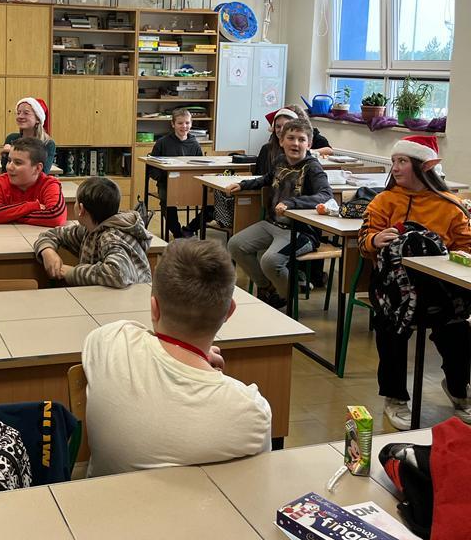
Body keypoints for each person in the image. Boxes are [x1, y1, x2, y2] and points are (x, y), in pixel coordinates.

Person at [81, 238, 272, 476]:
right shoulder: (252, 412)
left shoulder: (108, 340)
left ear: (154, 307)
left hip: (103, 499)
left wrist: (188, 352)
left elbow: (142, 337)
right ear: (229, 311)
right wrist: (196, 356)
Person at [358, 135, 471, 430]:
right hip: (393, 290)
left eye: (403, 161)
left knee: (458, 331)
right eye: (394, 162)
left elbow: (466, 247)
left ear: (424, 167)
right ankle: (395, 396)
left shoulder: (450, 205)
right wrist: (375, 240)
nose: (395, 168)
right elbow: (364, 240)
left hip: (440, 289)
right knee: (390, 329)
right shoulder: (384, 200)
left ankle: (458, 389)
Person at [226, 120, 333, 308]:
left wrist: (292, 203)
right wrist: (243, 185)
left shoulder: (312, 168)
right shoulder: (280, 161)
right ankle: (268, 287)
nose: (296, 143)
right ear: (281, 141)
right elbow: (266, 179)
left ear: (309, 144)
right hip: (273, 224)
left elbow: (326, 195)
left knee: (270, 260)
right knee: (235, 245)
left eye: (301, 139)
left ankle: (288, 297)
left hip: (301, 232)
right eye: (290, 138)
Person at [34, 176, 152, 288]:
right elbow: (53, 234)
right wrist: (47, 251)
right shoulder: (90, 229)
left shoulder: (111, 237)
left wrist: (72, 272)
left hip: (133, 298)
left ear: (81, 209)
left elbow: (119, 274)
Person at [148, 108, 212, 238]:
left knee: (212, 203)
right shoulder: (162, 142)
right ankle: (177, 233)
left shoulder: (194, 143)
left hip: (191, 184)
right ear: (173, 124)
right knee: (167, 202)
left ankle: (190, 228)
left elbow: (201, 167)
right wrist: (163, 177)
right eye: (180, 123)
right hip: (167, 184)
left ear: (191, 124)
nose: (184, 126)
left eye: (187, 123)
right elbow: (152, 167)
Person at [0, 138, 67, 227]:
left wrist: (7, 216)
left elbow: (55, 217)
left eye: (18, 163)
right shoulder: (1, 181)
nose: (9, 167)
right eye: (9, 161)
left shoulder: (49, 184)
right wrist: (30, 207)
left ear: (37, 168)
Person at [0, 97, 57, 174]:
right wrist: (5, 155)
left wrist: (14, 152)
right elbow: (5, 171)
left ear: (38, 119)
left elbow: (41, 173)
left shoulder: (47, 143)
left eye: (26, 113)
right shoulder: (11, 138)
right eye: (18, 113)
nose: (20, 116)